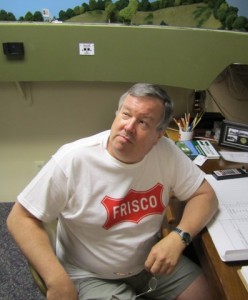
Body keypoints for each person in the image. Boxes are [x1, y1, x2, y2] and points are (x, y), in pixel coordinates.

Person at [7, 83, 218, 300]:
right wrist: (56, 279)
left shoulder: (166, 152)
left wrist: (178, 237)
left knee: (209, 294)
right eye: (126, 115)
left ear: (158, 135)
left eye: (143, 122)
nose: (128, 126)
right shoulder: (73, 159)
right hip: (89, 274)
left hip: (148, 260)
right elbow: (20, 218)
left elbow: (205, 195)